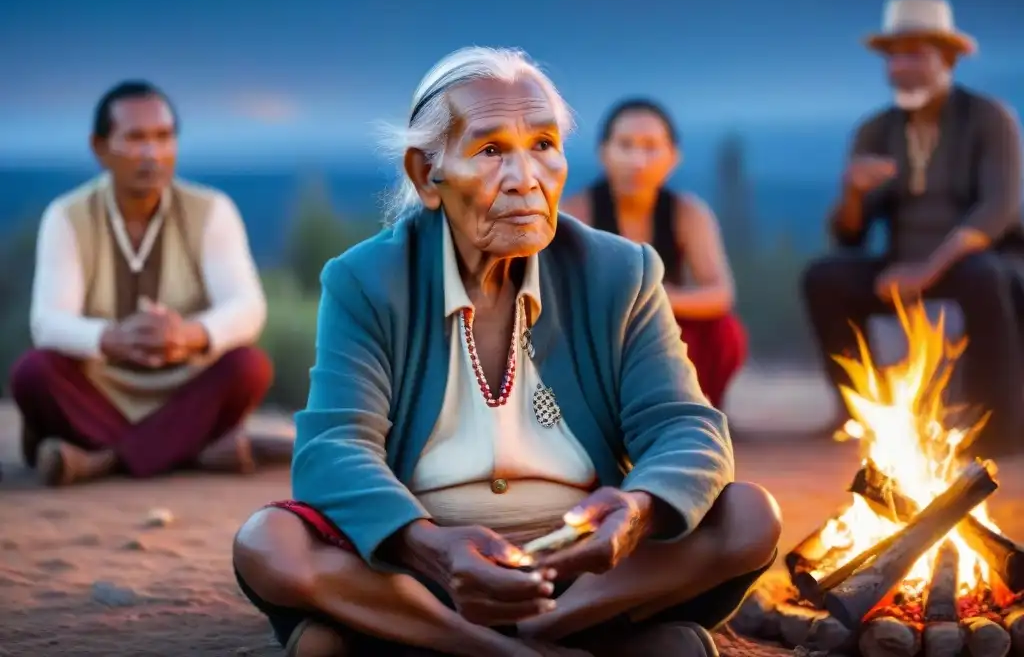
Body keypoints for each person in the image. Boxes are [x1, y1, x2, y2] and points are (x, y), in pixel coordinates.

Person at [232, 48, 781, 657]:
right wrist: (429, 547)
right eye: (491, 151)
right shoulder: (366, 280)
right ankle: (507, 646)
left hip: (586, 575)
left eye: (543, 144)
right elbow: (334, 447)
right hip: (424, 574)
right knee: (269, 543)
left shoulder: (620, 271)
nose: (527, 177)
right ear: (425, 175)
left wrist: (639, 510)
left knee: (750, 516)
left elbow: (685, 427)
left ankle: (525, 633)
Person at [8, 81, 285, 487]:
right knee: (33, 373)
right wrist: (111, 338)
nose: (152, 153)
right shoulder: (67, 216)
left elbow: (247, 307)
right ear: (100, 147)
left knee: (249, 367)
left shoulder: (211, 210)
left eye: (163, 137)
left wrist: (189, 335)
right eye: (135, 138)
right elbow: (47, 322)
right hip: (100, 384)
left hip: (184, 387)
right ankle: (193, 449)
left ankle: (99, 460)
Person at [802, 0, 1024, 455]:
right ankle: (862, 411)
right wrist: (854, 192)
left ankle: (998, 426)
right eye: (894, 56)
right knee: (824, 278)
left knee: (985, 277)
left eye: (915, 54)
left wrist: (928, 269)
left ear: (947, 57)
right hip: (901, 262)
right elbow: (849, 235)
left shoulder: (989, 119)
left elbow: (997, 210)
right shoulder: (877, 129)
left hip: (978, 261)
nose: (901, 67)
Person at [562, 100, 746, 409]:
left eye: (650, 147)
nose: (638, 160)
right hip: (600, 332)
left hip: (665, 325)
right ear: (604, 153)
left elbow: (720, 294)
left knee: (724, 333)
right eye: (625, 145)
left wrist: (654, 297)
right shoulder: (575, 212)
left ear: (673, 157)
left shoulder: (688, 214)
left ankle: (698, 411)